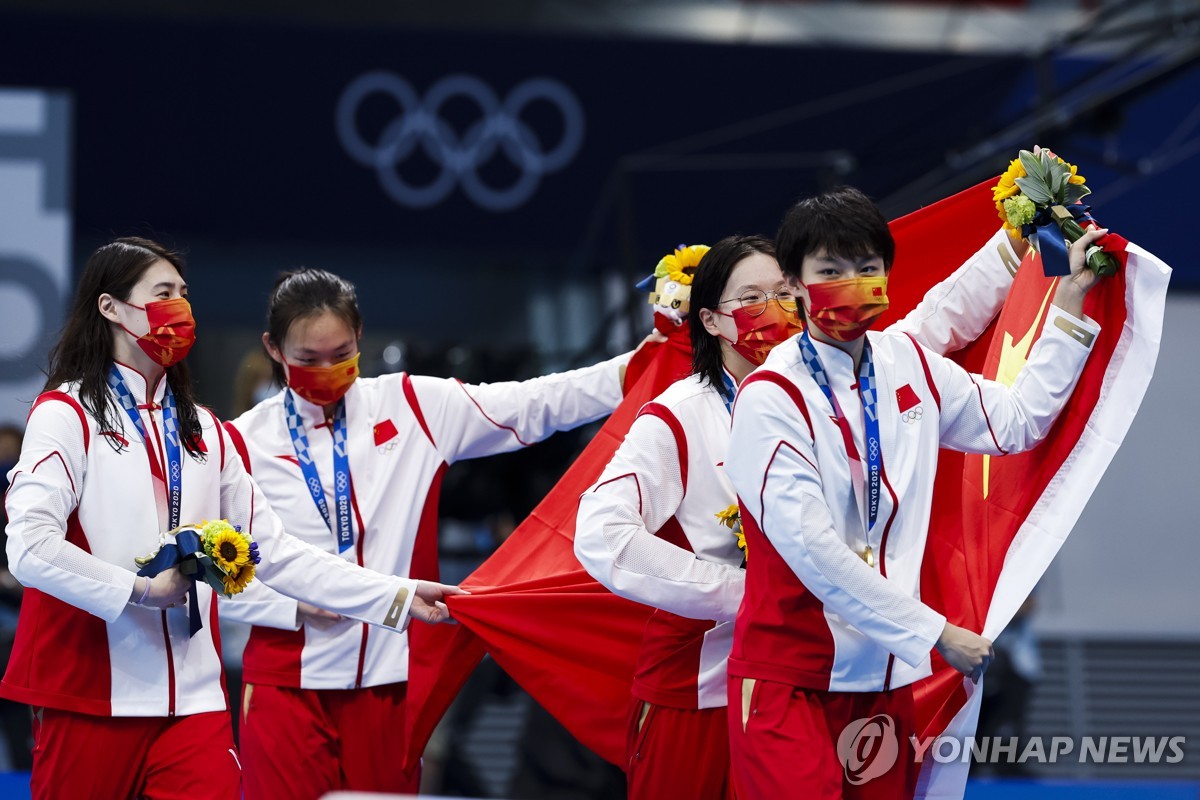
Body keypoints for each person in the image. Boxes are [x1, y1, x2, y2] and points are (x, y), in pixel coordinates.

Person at [573, 223, 1027, 800]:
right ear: (710, 320)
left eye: (784, 293)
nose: (776, 310)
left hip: (826, 674)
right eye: (751, 299)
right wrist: (743, 591)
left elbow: (937, 321)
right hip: (700, 686)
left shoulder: (845, 382)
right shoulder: (680, 415)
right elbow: (603, 534)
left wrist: (1015, 244)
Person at [0, 238, 460, 800]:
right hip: (90, 694)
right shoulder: (65, 413)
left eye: (185, 295)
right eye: (163, 293)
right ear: (110, 308)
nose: (181, 308)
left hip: (195, 700)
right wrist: (140, 591)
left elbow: (276, 552)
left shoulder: (206, 431)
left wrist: (397, 596)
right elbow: (29, 547)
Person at [723, 186, 1104, 798]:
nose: (852, 283)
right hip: (789, 678)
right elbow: (813, 551)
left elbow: (1016, 423)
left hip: (883, 677)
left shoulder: (909, 363)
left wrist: (1070, 301)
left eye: (867, 268)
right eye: (830, 271)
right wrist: (934, 632)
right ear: (792, 284)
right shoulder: (769, 398)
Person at [219, 267, 641, 799]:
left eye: (341, 354)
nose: (327, 371)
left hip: (391, 684)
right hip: (285, 684)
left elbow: (537, 403)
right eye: (307, 360)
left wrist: (644, 362)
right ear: (273, 348)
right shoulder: (239, 441)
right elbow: (211, 578)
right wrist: (289, 607)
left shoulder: (413, 405)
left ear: (361, 338)